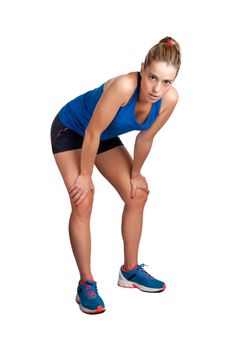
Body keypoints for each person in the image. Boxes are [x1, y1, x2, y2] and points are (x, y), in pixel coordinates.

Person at [50, 36, 181, 315]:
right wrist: (85, 175)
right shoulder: (124, 86)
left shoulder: (169, 99)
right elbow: (92, 132)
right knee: (83, 199)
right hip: (73, 130)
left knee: (137, 194)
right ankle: (85, 283)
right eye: (152, 77)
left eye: (166, 82)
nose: (157, 88)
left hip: (104, 135)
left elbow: (146, 137)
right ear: (142, 68)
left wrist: (136, 174)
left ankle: (130, 271)